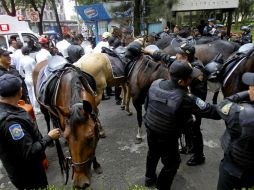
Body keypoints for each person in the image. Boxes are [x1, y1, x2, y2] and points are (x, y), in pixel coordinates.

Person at [143, 60, 221, 190]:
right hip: (168, 137)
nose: (192, 79)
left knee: (152, 153)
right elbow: (211, 111)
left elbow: (146, 106)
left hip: (150, 128)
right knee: (171, 165)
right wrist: (232, 105)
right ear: (181, 82)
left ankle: (149, 178)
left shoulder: (155, 84)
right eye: (190, 78)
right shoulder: (186, 98)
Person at [0, 74, 61, 190]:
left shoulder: (8, 108)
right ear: (20, 91)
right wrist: (49, 137)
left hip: (21, 170)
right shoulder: (11, 123)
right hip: (28, 175)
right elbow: (30, 152)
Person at [216, 72, 254, 190]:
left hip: (234, 168)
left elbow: (222, 104)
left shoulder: (242, 113)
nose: (249, 87)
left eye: (251, 86)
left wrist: (244, 94)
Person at [175, 43, 208, 166]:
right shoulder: (187, 64)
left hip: (194, 105)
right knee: (187, 128)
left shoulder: (196, 70)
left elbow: (200, 92)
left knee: (195, 129)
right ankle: (189, 147)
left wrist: (193, 108)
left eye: (178, 53)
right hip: (188, 102)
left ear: (185, 57)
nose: (176, 55)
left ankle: (199, 156)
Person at [20, 46, 40, 114]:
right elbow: (35, 70)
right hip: (32, 78)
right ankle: (36, 108)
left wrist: (24, 76)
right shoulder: (31, 60)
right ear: (28, 52)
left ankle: (33, 107)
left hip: (26, 78)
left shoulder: (21, 60)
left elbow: (20, 71)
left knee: (30, 93)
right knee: (35, 93)